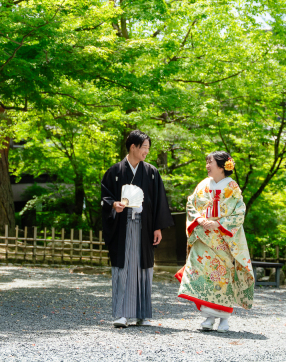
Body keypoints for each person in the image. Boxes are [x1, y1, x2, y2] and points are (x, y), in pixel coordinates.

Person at [101, 130, 174, 328]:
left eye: (148, 148)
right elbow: (105, 198)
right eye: (144, 148)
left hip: (144, 227)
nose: (147, 152)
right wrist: (114, 205)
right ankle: (120, 314)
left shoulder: (151, 172)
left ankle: (143, 315)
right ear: (133, 147)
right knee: (122, 269)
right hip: (122, 227)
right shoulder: (115, 172)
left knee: (144, 270)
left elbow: (159, 201)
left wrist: (158, 227)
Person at [175, 151, 254, 332]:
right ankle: (209, 317)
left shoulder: (232, 187)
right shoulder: (203, 184)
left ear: (221, 165)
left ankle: (224, 319)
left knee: (222, 277)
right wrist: (200, 220)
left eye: (210, 162)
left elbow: (239, 212)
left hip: (223, 240)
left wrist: (218, 223)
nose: (207, 166)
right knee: (204, 276)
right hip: (204, 238)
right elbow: (191, 204)